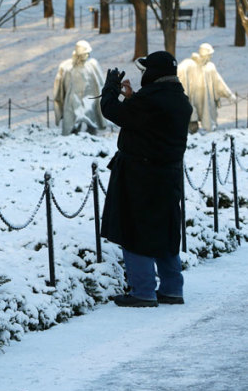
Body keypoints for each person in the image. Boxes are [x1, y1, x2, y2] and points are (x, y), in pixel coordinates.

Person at [100, 51, 192, 308]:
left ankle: (143, 292)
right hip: (169, 175)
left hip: (140, 176)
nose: (142, 75)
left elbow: (113, 112)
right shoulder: (179, 99)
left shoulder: (152, 101)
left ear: (155, 73)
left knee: (135, 229)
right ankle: (172, 289)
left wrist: (110, 91)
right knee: (165, 229)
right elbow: (145, 120)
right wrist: (132, 98)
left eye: (144, 71)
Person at [177, 42, 236, 133]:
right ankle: (193, 127)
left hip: (206, 99)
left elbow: (218, 82)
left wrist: (229, 95)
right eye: (209, 55)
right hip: (193, 98)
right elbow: (178, 71)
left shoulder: (210, 67)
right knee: (192, 116)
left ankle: (209, 133)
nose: (210, 57)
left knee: (207, 115)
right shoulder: (189, 64)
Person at [53, 40, 107, 135]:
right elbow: (62, 86)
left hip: (89, 98)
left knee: (91, 118)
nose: (87, 55)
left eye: (88, 53)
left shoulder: (91, 66)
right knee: (72, 119)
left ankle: (91, 133)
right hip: (73, 99)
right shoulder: (68, 67)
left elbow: (99, 83)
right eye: (85, 53)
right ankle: (72, 133)